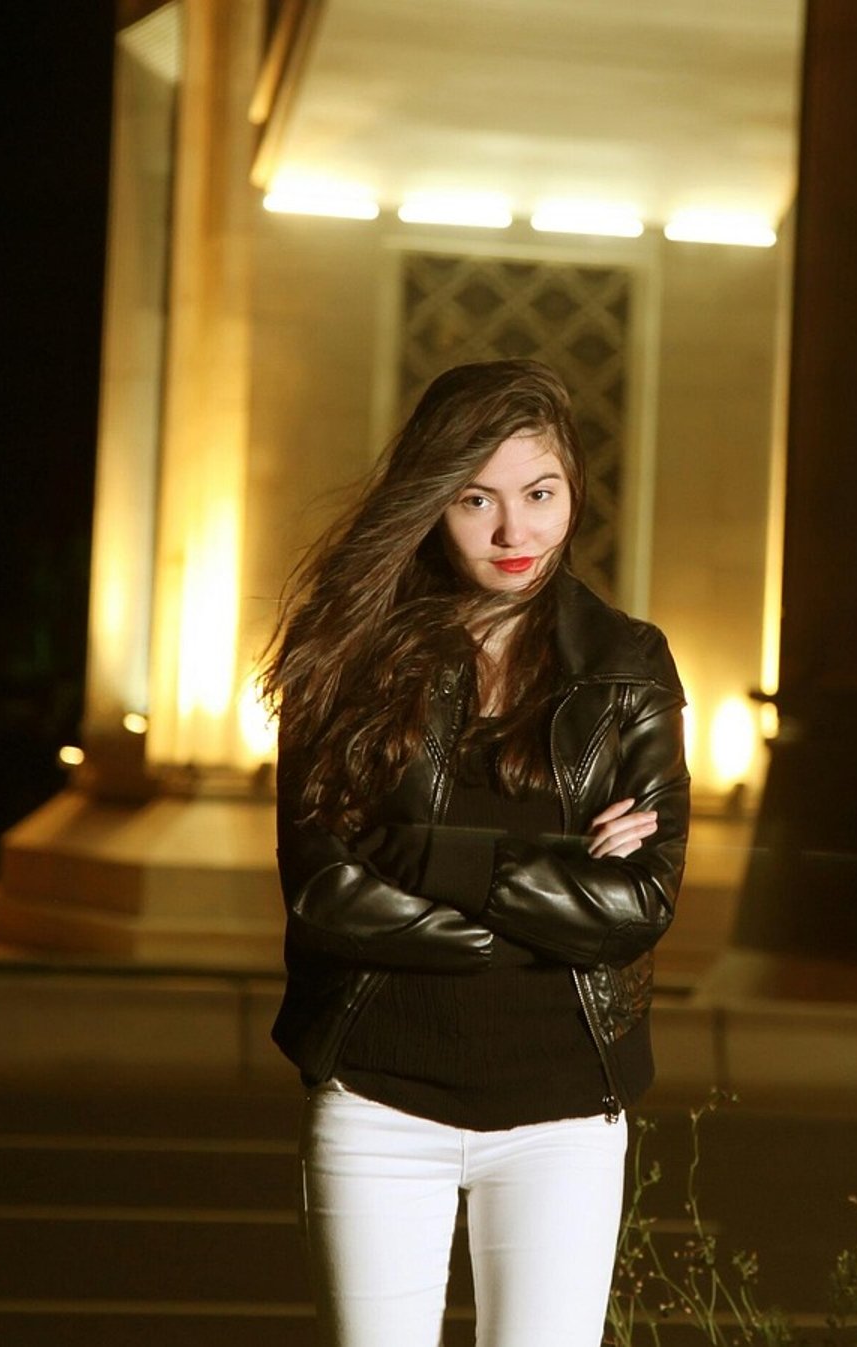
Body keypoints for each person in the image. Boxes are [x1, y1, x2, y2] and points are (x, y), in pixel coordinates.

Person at [259, 358, 691, 1347]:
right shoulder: (347, 657)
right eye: (476, 500)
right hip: (377, 1103)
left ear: (573, 489)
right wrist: (548, 901)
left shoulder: (628, 666)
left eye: (540, 495)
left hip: (564, 1118)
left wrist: (428, 856)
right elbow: (325, 893)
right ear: (430, 501)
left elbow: (642, 904)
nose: (514, 533)